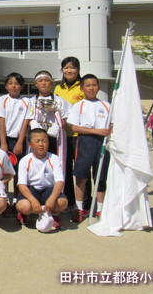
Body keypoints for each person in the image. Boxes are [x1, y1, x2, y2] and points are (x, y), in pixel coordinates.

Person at [66, 74, 111, 222]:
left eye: (94, 85)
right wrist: (96, 131)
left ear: (98, 87)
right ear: (82, 88)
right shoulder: (79, 105)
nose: (91, 88)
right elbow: (74, 127)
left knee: (100, 176)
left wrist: (107, 132)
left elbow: (112, 124)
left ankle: (100, 209)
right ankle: (79, 208)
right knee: (81, 175)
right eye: (88, 85)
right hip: (85, 141)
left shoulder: (106, 105)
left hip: (102, 142)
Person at [15, 128, 68, 231]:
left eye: (44, 141)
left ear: (48, 143)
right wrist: (33, 200)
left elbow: (59, 181)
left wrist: (52, 198)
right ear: (30, 144)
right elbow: (21, 185)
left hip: (48, 190)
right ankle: (25, 214)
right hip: (32, 190)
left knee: (63, 202)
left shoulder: (54, 159)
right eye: (37, 141)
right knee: (24, 206)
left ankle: (53, 215)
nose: (41, 144)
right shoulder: (25, 160)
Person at [53, 57, 83, 208]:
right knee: (65, 168)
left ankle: (83, 202)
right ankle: (70, 200)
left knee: (81, 170)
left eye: (72, 67)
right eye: (66, 68)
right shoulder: (58, 88)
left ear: (78, 69)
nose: (69, 71)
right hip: (63, 136)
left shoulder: (82, 86)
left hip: (79, 135)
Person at [0, 72, 29, 203]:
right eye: (10, 83)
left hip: (19, 140)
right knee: (2, 170)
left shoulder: (27, 101)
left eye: (16, 83)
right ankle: (3, 199)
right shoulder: (2, 100)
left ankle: (16, 200)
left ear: (22, 86)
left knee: (18, 171)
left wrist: (20, 142)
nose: (13, 86)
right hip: (4, 138)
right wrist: (3, 143)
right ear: (6, 86)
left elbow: (26, 122)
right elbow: (1, 121)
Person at [21, 71, 70, 158]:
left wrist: (57, 126)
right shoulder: (31, 101)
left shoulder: (59, 100)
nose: (44, 83)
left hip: (54, 136)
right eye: (40, 80)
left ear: (51, 83)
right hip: (37, 136)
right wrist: (33, 124)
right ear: (36, 84)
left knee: (54, 159)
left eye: (46, 80)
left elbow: (65, 117)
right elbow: (28, 117)